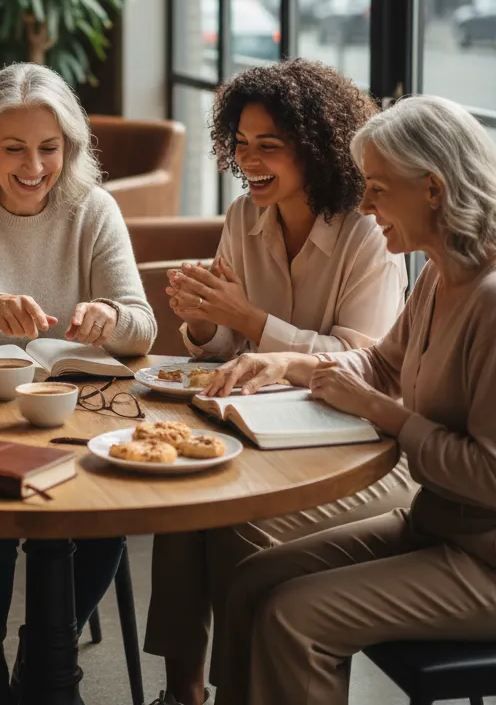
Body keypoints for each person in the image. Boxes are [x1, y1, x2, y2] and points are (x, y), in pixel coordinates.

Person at [210, 95, 496, 705]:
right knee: (252, 580)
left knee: (294, 617)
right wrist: (293, 362)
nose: (366, 204)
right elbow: (381, 363)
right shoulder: (440, 273)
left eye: (377, 188)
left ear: (432, 188)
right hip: (440, 525)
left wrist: (384, 413)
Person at [144, 59, 415, 705]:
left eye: (270, 145)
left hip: (365, 449)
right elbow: (229, 347)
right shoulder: (245, 217)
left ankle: (243, 691)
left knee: (240, 529)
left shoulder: (365, 231)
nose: (250, 159)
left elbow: (364, 359)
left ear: (316, 149)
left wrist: (251, 320)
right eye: (240, 144)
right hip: (270, 433)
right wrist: (206, 323)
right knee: (184, 506)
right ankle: (182, 693)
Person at [0, 62, 157, 704]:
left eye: (49, 148)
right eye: (14, 148)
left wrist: (111, 318)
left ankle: (48, 649)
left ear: (69, 148)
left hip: (76, 410)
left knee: (105, 511)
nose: (33, 166)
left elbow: (143, 327)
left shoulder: (94, 209)